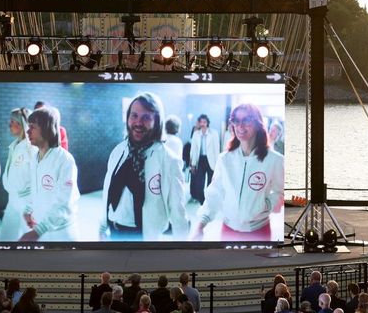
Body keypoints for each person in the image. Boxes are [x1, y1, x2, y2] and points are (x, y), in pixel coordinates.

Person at [101, 93, 188, 241]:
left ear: (157, 121)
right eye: (134, 115)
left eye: (146, 117)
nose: (138, 122)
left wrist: (183, 247)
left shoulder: (168, 160)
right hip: (114, 231)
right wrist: (102, 227)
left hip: (145, 238)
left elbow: (177, 210)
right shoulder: (119, 151)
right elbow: (107, 192)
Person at [192, 104, 285, 241]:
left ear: (258, 124)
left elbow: (280, 192)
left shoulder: (275, 160)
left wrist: (266, 206)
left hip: (259, 231)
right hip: (228, 230)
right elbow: (215, 194)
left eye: (246, 120)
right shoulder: (224, 159)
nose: (240, 126)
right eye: (236, 121)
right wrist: (201, 224)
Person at [21, 106, 79, 241]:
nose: (27, 131)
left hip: (61, 232)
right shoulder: (35, 157)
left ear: (46, 129)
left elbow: (64, 203)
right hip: (41, 228)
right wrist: (28, 209)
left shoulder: (65, 160)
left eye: (32, 127)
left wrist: (37, 231)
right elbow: (35, 189)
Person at [1, 108, 37, 241]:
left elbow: (36, 180)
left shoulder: (32, 149)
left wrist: (30, 208)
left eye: (12, 121)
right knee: (5, 237)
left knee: (30, 241)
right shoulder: (14, 146)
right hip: (12, 200)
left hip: (26, 202)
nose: (9, 124)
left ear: (21, 124)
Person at [185, 115, 219, 204]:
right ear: (199, 123)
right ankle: (202, 201)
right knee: (199, 182)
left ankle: (209, 200)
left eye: (205, 122)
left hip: (211, 159)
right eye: (201, 122)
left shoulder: (214, 133)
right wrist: (193, 163)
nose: (203, 124)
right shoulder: (196, 134)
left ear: (207, 123)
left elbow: (217, 149)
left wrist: (217, 165)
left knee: (211, 182)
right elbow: (193, 149)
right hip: (200, 159)